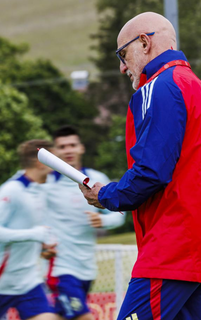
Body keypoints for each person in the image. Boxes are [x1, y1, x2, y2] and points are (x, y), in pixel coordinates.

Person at [79, 12, 201, 320]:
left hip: (173, 249)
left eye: (123, 54)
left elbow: (151, 171)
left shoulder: (159, 86)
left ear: (145, 43)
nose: (122, 67)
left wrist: (106, 195)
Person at [0, 140, 57, 320]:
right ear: (40, 162)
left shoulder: (43, 190)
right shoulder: (11, 190)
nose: (58, 162)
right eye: (54, 158)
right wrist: (35, 234)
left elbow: (31, 231)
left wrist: (43, 247)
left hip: (29, 283)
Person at [45, 125, 124, 320]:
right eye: (63, 147)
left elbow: (120, 213)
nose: (69, 150)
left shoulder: (98, 180)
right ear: (54, 152)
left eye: (73, 145)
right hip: (60, 270)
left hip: (87, 269)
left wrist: (103, 220)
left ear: (82, 148)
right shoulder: (44, 183)